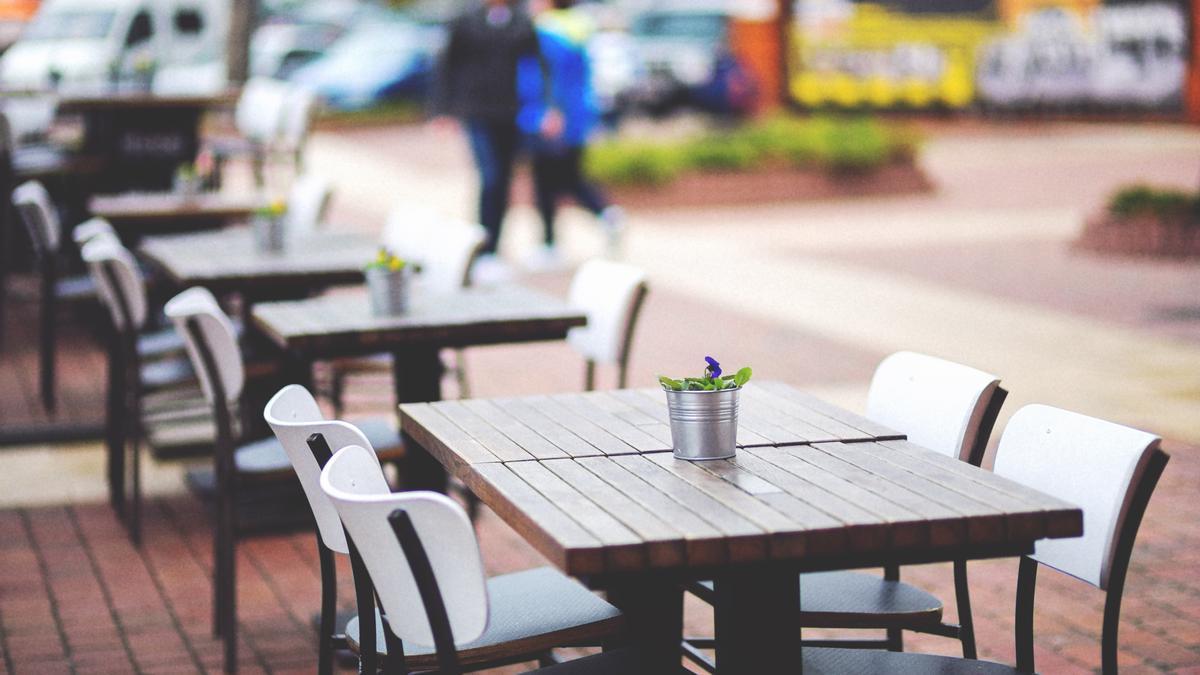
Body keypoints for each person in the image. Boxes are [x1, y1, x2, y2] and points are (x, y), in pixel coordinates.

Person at [431, 0, 542, 280]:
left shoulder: (521, 21)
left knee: (504, 180)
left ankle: (495, 247)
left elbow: (537, 65)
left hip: (510, 112)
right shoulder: (465, 20)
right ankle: (483, 248)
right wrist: (442, 110)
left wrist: (546, 107)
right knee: (490, 177)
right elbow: (446, 65)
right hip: (476, 111)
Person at [517, 0, 623, 270]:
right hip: (576, 117)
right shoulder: (580, 26)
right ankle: (607, 215)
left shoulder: (545, 32)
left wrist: (547, 113)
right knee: (571, 178)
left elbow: (545, 77)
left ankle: (549, 245)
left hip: (550, 119)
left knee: (546, 183)